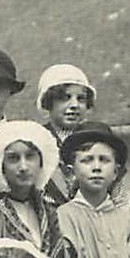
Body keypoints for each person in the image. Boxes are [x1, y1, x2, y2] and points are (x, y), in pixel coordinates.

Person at [56, 122, 130, 258]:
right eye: (86, 160)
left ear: (116, 172)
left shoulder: (127, 221)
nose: (96, 167)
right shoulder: (61, 218)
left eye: (104, 160)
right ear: (71, 171)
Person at [0, 120, 73, 258]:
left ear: (41, 163)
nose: (23, 167)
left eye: (30, 157)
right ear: (1, 166)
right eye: (13, 158)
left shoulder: (52, 213)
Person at [35, 64, 96, 203]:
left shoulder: (97, 140)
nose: (74, 105)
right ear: (48, 102)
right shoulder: (37, 141)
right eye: (64, 98)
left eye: (81, 99)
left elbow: (117, 193)